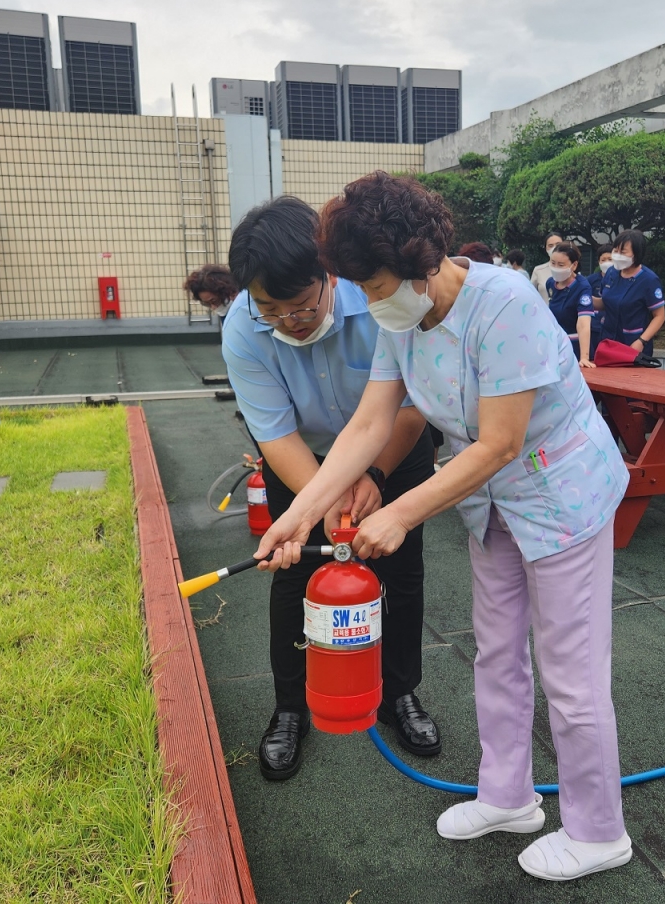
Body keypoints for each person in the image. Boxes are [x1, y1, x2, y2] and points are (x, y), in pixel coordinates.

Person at [258, 171, 633, 882]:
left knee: (572, 674)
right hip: (492, 503)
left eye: (375, 287)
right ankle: (507, 795)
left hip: (562, 498)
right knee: (496, 654)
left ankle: (597, 830)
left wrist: (400, 512)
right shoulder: (401, 318)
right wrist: (297, 516)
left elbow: (500, 442)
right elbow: (370, 423)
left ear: (420, 261)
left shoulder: (506, 303)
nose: (370, 302)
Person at [219, 195, 440, 781]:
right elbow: (274, 433)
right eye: (270, 309)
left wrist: (375, 474)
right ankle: (291, 707)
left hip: (394, 447)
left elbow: (411, 406)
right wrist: (324, 498)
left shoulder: (377, 301)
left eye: (301, 304)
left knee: (400, 570)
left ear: (329, 274)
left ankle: (399, 692)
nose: (288, 320)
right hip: (304, 458)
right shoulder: (242, 329)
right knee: (294, 575)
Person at [594, 230, 665, 360]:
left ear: (636, 254)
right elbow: (605, 303)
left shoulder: (648, 280)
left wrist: (641, 341)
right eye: (615, 251)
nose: (617, 255)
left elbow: (659, 316)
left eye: (623, 252)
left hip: (634, 343)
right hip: (608, 340)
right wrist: (583, 298)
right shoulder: (611, 273)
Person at [545, 241, 597, 366]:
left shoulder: (582, 287)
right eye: (553, 263)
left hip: (574, 346)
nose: (555, 268)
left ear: (574, 265)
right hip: (555, 345)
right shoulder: (550, 283)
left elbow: (583, 323)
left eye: (561, 265)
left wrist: (584, 357)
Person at [531, 232, 564, 299]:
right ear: (546, 249)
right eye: (550, 245)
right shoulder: (538, 271)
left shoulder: (570, 269)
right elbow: (530, 294)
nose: (555, 248)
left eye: (558, 244)